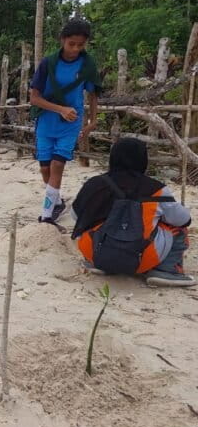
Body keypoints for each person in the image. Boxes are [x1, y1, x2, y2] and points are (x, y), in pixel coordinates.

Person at [71, 138, 195, 287]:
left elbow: (75, 216)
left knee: (90, 220)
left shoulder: (95, 184)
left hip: (95, 251)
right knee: (178, 228)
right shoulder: (156, 189)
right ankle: (167, 270)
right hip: (142, 258)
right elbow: (184, 219)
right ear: (143, 160)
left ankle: (99, 263)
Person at [30, 18, 102, 226]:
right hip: (46, 120)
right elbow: (34, 98)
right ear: (62, 40)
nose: (75, 49)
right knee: (45, 168)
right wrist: (60, 109)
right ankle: (57, 202)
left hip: (71, 121)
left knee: (57, 164)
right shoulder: (48, 63)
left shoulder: (87, 64)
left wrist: (92, 121)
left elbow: (93, 94)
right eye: (72, 44)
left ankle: (46, 215)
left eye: (81, 45)